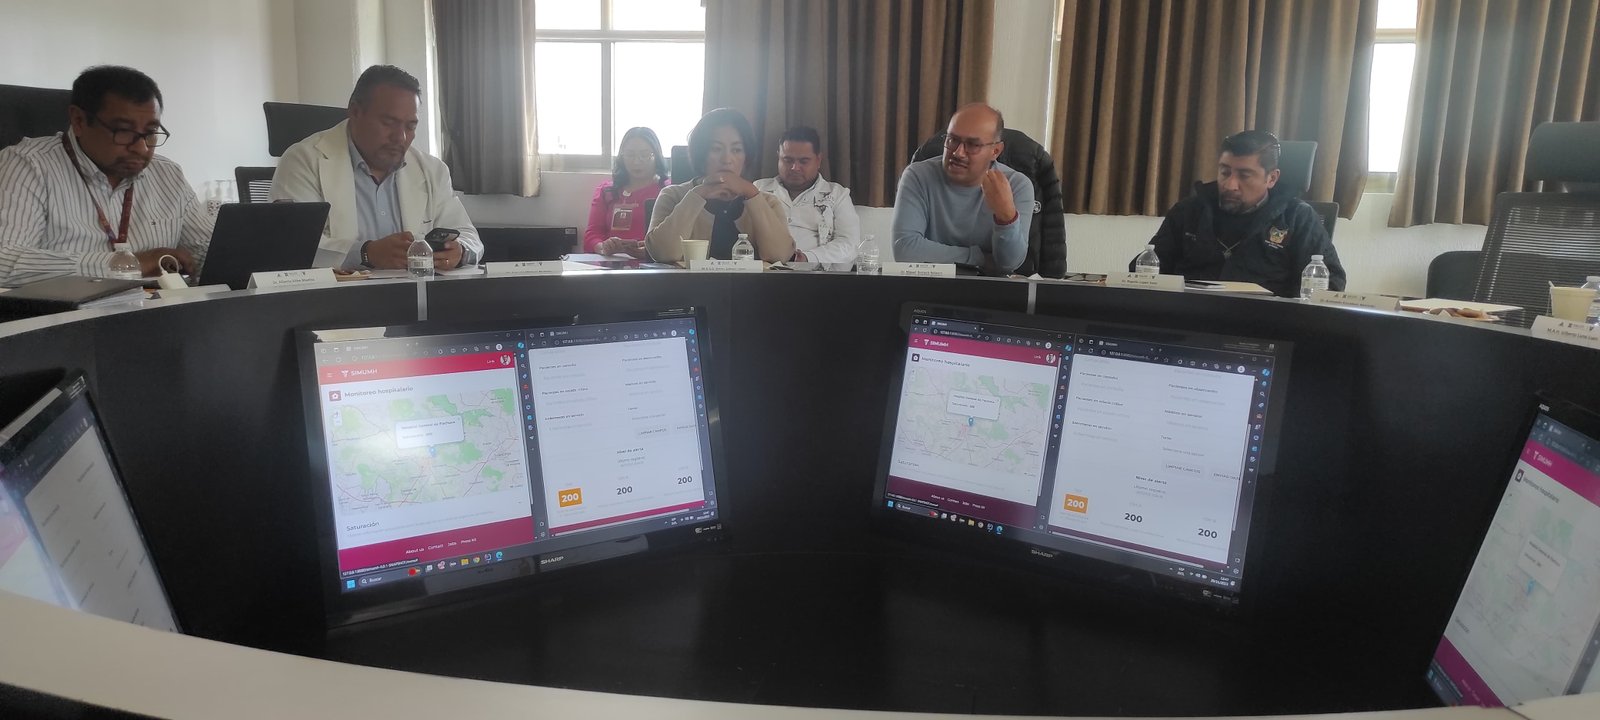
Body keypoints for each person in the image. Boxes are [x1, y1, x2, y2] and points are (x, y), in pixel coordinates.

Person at [0, 65, 211, 287]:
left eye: (150, 133)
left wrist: (224, 256)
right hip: (67, 309)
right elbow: (4, 261)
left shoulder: (168, 174)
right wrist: (128, 264)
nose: (141, 148)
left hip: (156, 306)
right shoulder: (27, 166)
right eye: (124, 131)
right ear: (79, 121)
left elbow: (206, 250)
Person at [271, 65, 481, 272]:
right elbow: (292, 244)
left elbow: (469, 236)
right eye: (388, 122)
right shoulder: (303, 161)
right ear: (355, 112)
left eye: (410, 126)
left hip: (415, 290)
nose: (401, 137)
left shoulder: (432, 169)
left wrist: (461, 251)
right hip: (339, 291)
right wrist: (366, 253)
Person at [1136, 130, 1345, 298]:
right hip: (1191, 318)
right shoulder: (1189, 211)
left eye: (1244, 175)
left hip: (1265, 325)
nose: (1230, 185)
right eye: (1224, 172)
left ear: (1271, 178)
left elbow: (1331, 283)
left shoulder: (1297, 217)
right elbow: (1145, 271)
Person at [891, 103, 1033, 274]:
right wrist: (979, 258)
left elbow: (1009, 264)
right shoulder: (917, 176)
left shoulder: (1017, 185)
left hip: (988, 289)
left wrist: (1006, 217)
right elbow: (905, 249)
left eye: (972, 145)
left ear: (995, 151)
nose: (958, 153)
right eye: (952, 140)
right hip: (928, 285)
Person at [645, 108, 792, 263]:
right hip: (688, 280)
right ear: (701, 154)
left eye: (737, 150)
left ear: (746, 156)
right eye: (716, 149)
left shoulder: (768, 202)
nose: (727, 159)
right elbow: (663, 254)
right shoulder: (672, 196)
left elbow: (780, 256)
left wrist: (752, 194)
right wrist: (697, 195)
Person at [753, 126, 862, 266]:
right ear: (778, 158)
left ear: (818, 160)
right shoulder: (758, 190)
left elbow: (849, 244)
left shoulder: (837, 194)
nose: (795, 168)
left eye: (803, 161)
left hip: (817, 274)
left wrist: (807, 258)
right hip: (765, 272)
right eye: (788, 160)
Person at [587, 127, 669, 258]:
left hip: (655, 262)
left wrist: (651, 251)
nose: (636, 161)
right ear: (622, 157)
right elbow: (592, 235)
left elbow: (679, 235)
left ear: (656, 156)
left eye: (645, 155)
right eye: (630, 155)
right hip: (611, 263)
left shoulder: (669, 191)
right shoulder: (607, 191)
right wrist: (603, 247)